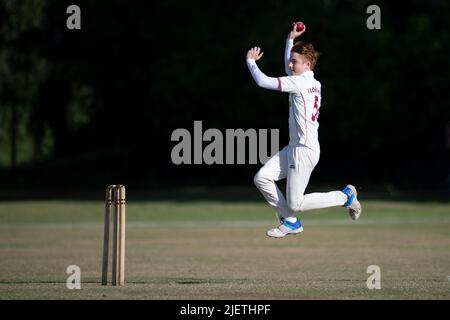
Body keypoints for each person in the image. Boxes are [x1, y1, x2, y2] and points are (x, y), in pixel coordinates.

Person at [246, 21, 362, 238]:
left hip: (304, 150)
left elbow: (262, 81)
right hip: (294, 147)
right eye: (291, 61)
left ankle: (344, 197)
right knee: (262, 178)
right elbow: (288, 69)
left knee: (296, 202)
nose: (291, 65)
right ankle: (289, 221)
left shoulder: (299, 83)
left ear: (307, 64)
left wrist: (251, 62)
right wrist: (290, 38)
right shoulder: (312, 82)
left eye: (295, 62)